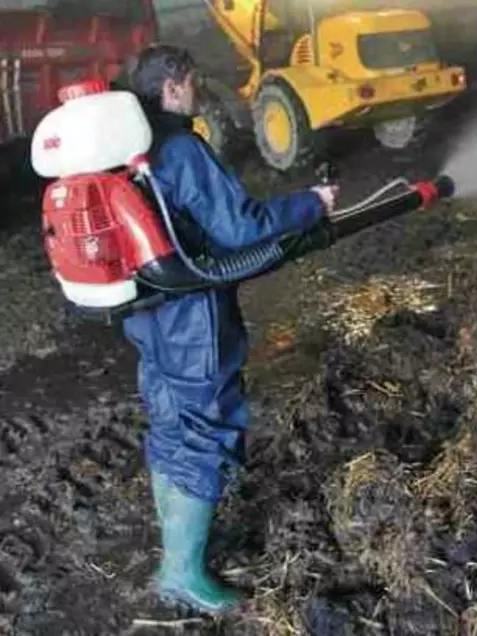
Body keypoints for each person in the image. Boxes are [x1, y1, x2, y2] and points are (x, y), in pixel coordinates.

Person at [123, 44, 338, 613]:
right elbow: (241, 227)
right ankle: (181, 574)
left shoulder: (125, 148)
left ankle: (175, 554)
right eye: (191, 83)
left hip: (146, 311)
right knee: (204, 427)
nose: (196, 93)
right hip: (192, 312)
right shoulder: (178, 147)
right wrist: (311, 203)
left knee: (171, 421)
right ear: (172, 87)